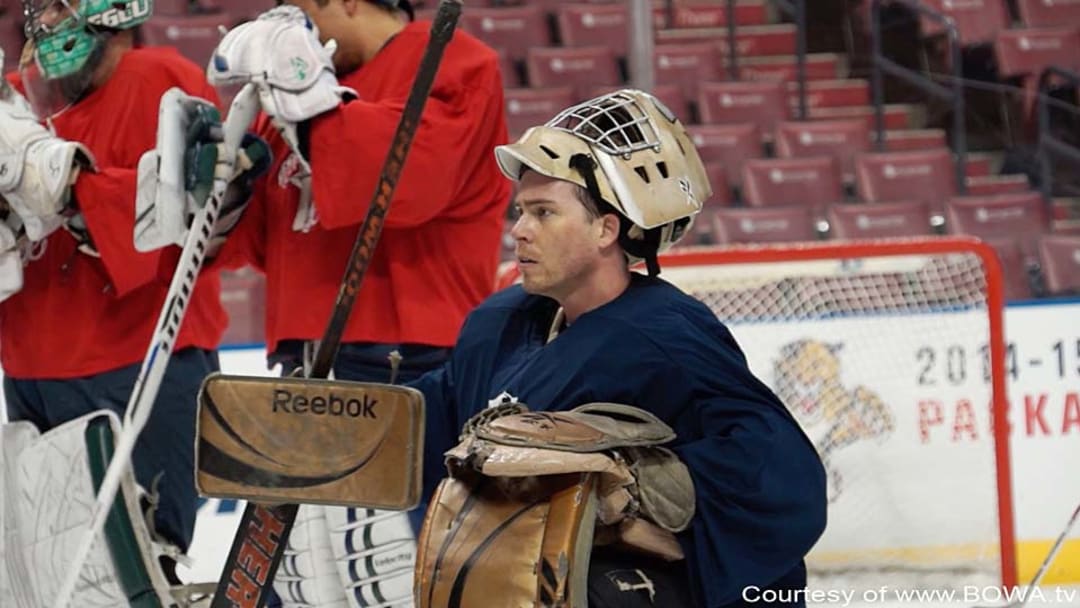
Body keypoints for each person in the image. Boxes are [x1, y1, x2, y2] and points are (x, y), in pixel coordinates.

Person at [408, 88, 829, 607]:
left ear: (607, 228)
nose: (518, 231)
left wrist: (632, 493)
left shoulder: (663, 335)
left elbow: (785, 481)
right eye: (521, 211)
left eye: (543, 213)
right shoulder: (498, 325)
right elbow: (431, 418)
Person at [198, 1, 511, 605]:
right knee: (301, 582)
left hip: (407, 363)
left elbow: (410, 183)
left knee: (395, 577)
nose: (302, 27)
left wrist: (312, 103)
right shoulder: (300, 87)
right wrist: (223, 187)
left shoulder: (455, 60)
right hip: (302, 369)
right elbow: (272, 240)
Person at [0, 0, 227, 582]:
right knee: (53, 574)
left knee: (133, 572)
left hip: (135, 358)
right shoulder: (21, 99)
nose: (42, 24)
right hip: (34, 366)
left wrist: (70, 184)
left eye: (58, 6)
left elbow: (191, 211)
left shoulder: (156, 77)